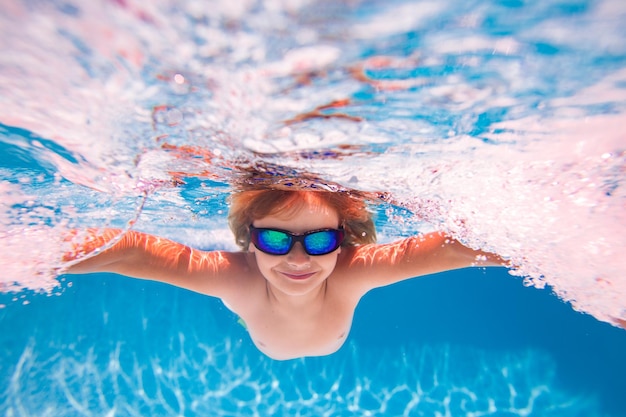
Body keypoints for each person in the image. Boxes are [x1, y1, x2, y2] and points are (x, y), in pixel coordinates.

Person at [65, 186, 506, 361]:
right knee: (243, 306)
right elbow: (130, 250)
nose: (298, 260)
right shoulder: (236, 277)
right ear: (248, 238)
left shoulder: (352, 271)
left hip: (264, 324)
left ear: (344, 238)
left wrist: (553, 247)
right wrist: (27, 259)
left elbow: (456, 248)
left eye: (319, 242)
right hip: (251, 312)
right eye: (276, 241)